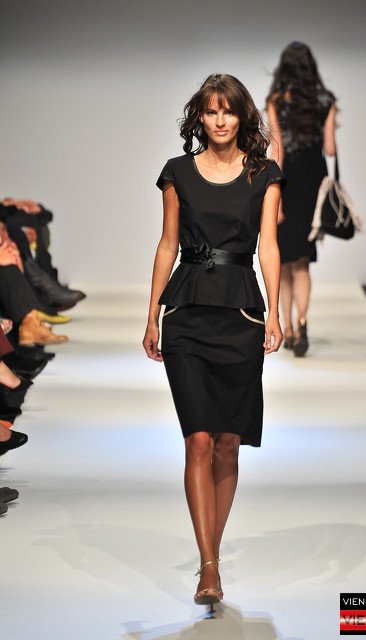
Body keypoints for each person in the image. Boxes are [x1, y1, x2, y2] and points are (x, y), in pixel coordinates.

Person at [143, 73, 285, 610]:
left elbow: (268, 246)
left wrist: (274, 313)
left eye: (228, 111)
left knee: (228, 443)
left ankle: (212, 551)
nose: (220, 120)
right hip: (188, 312)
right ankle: (209, 566)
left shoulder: (263, 174)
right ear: (199, 117)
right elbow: (167, 244)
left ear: (242, 116)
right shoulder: (177, 172)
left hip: (241, 312)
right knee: (198, 440)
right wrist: (152, 314)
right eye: (210, 111)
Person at [266, 41, 337, 356]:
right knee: (303, 262)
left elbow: (277, 150)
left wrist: (276, 195)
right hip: (313, 185)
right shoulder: (326, 100)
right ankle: (303, 320)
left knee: (283, 264)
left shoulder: (276, 101)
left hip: (289, 182)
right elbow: (330, 149)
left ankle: (289, 329)